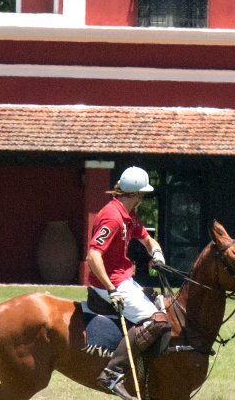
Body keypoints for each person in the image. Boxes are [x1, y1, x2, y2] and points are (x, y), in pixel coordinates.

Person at [85, 166, 170, 400]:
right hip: (109, 283)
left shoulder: (128, 214)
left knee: (162, 304)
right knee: (156, 321)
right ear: (136, 195)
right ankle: (111, 373)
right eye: (143, 194)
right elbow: (93, 256)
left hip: (124, 277)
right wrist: (111, 289)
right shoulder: (112, 217)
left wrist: (157, 254)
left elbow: (147, 239)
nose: (144, 198)